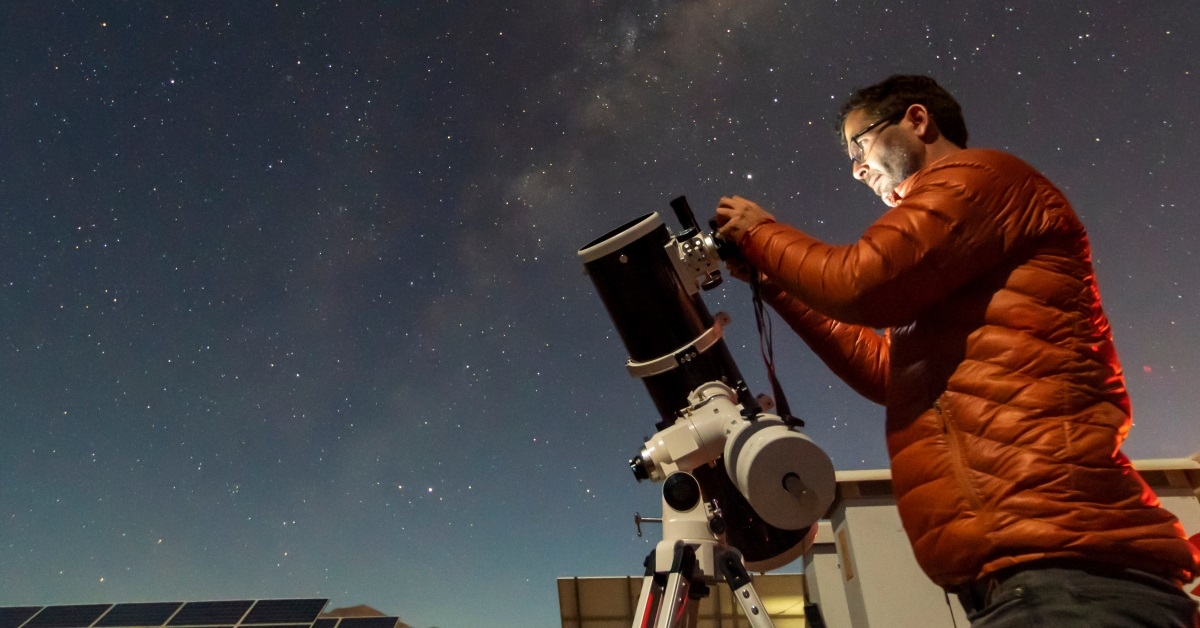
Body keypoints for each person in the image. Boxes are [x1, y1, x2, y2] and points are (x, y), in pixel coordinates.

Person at [713, 75, 1200, 626]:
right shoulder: (947, 238)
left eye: (859, 145)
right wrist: (776, 283)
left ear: (917, 121)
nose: (856, 168)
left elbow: (860, 282)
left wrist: (760, 232)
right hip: (1031, 578)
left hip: (1070, 574)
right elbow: (888, 372)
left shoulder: (979, 180)